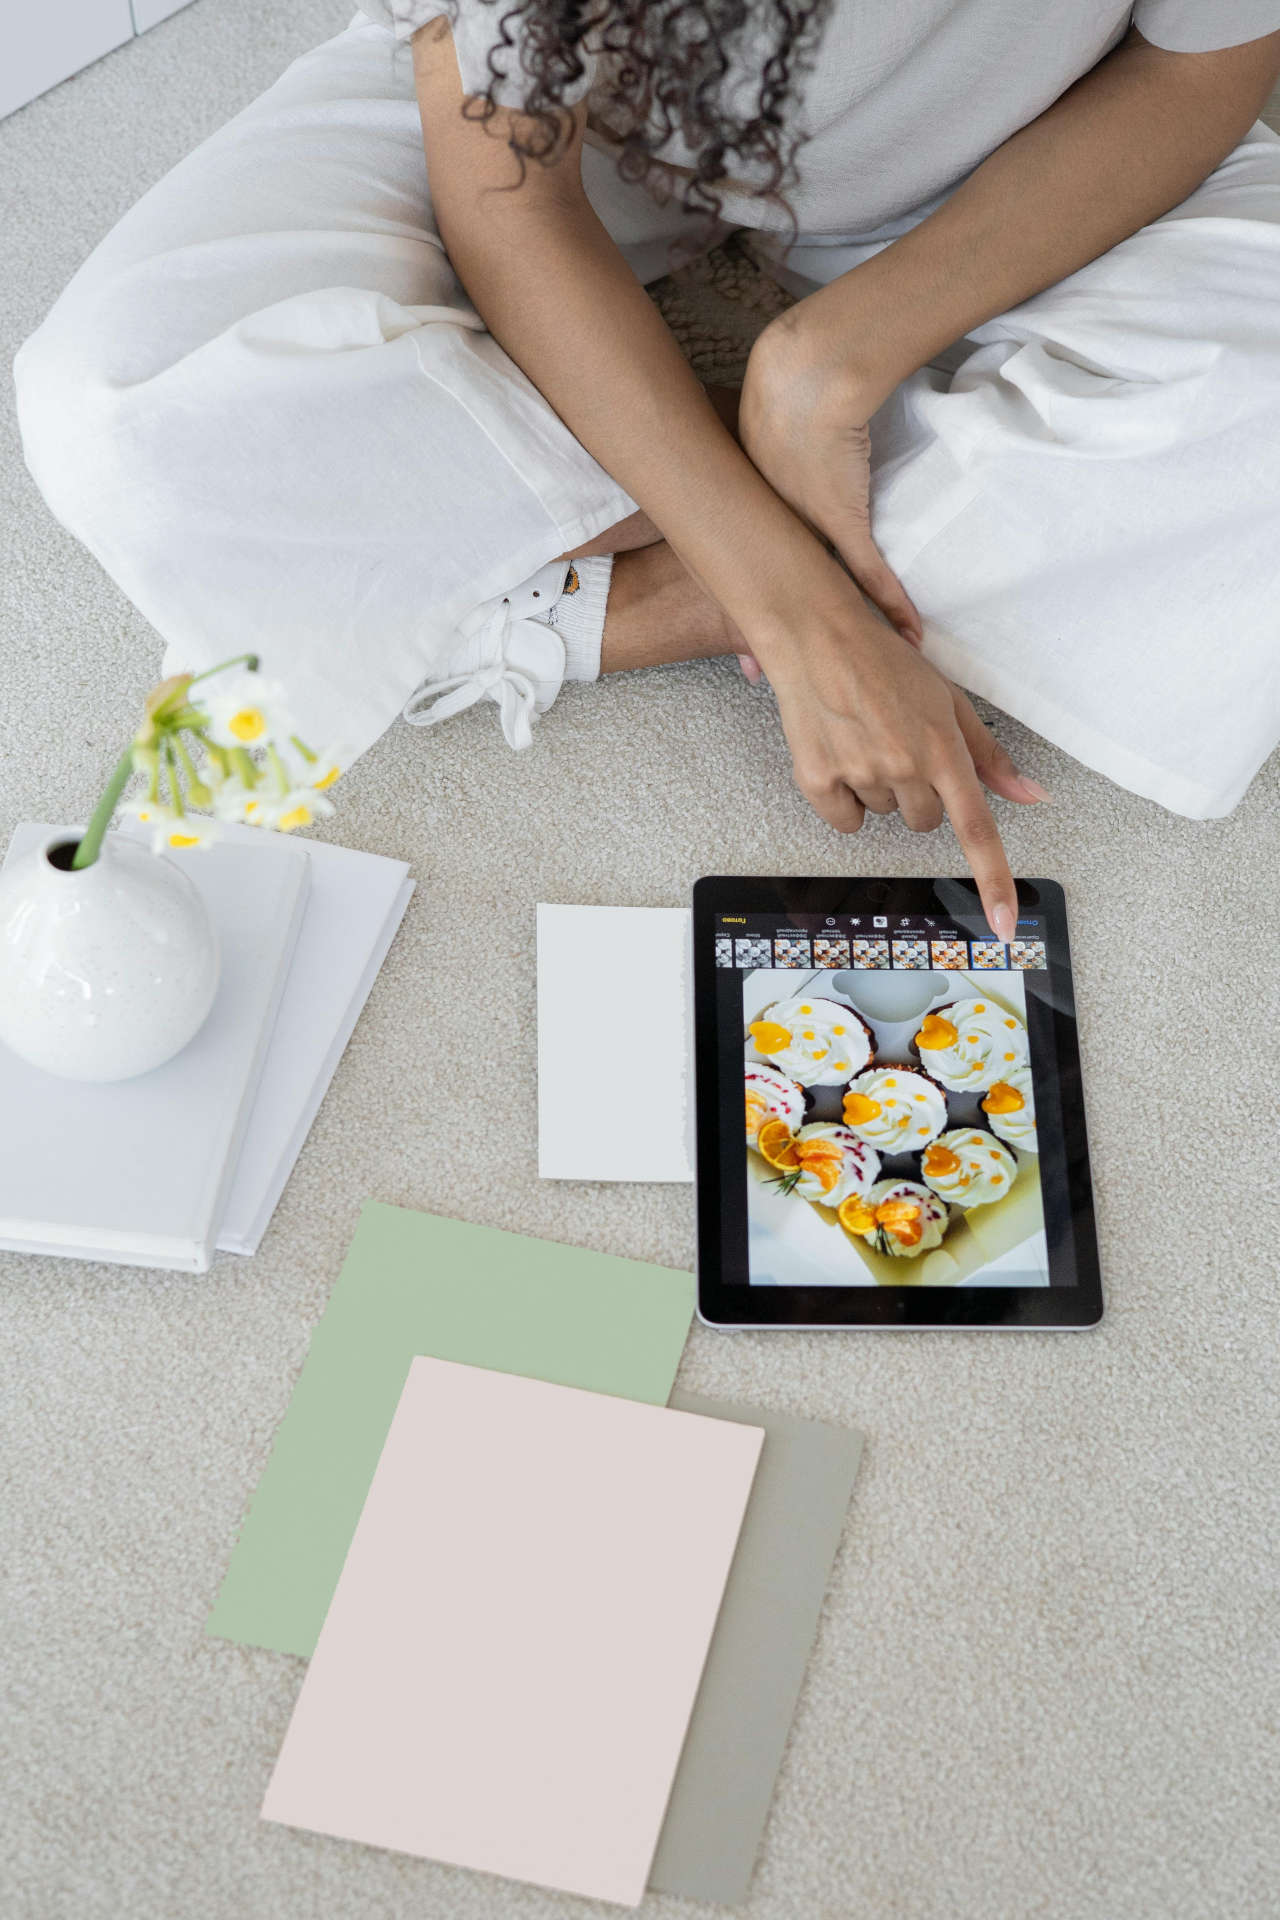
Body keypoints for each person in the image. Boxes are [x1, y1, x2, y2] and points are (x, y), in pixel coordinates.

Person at [14, 2, 1280, 939]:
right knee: (121, 400)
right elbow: (511, 195)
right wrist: (788, 608)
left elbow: (1204, 58)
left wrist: (827, 364)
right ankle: (703, 585)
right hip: (579, 131)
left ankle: (541, 559)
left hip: (1005, 156)